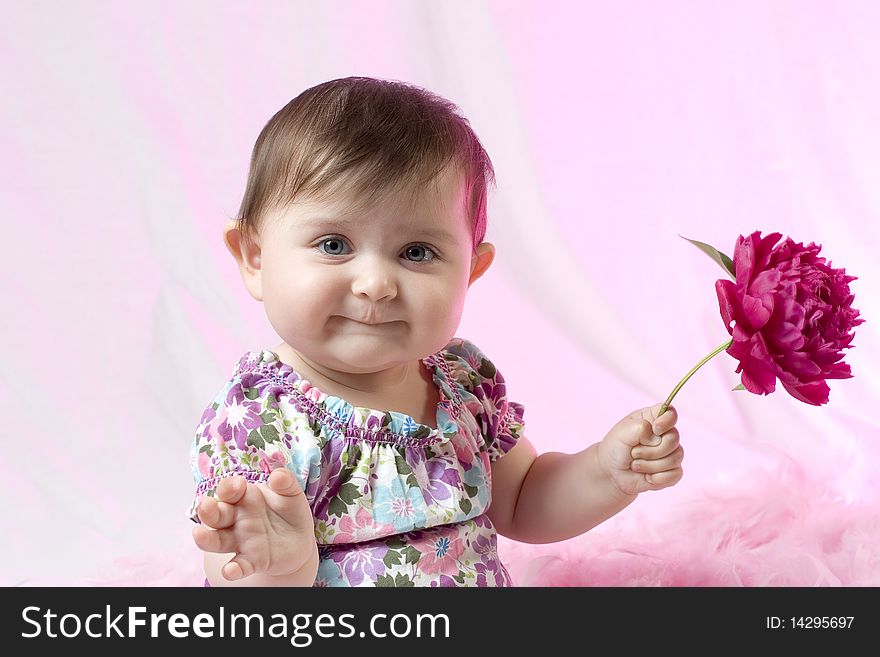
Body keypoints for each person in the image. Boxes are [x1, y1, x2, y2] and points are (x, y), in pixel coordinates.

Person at [187, 76, 684, 587]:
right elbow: (238, 585)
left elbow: (523, 499)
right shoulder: (259, 420)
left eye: (417, 252)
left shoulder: (461, 384)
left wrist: (605, 471)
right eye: (334, 244)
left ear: (471, 270)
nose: (376, 284)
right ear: (255, 256)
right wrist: (280, 567)